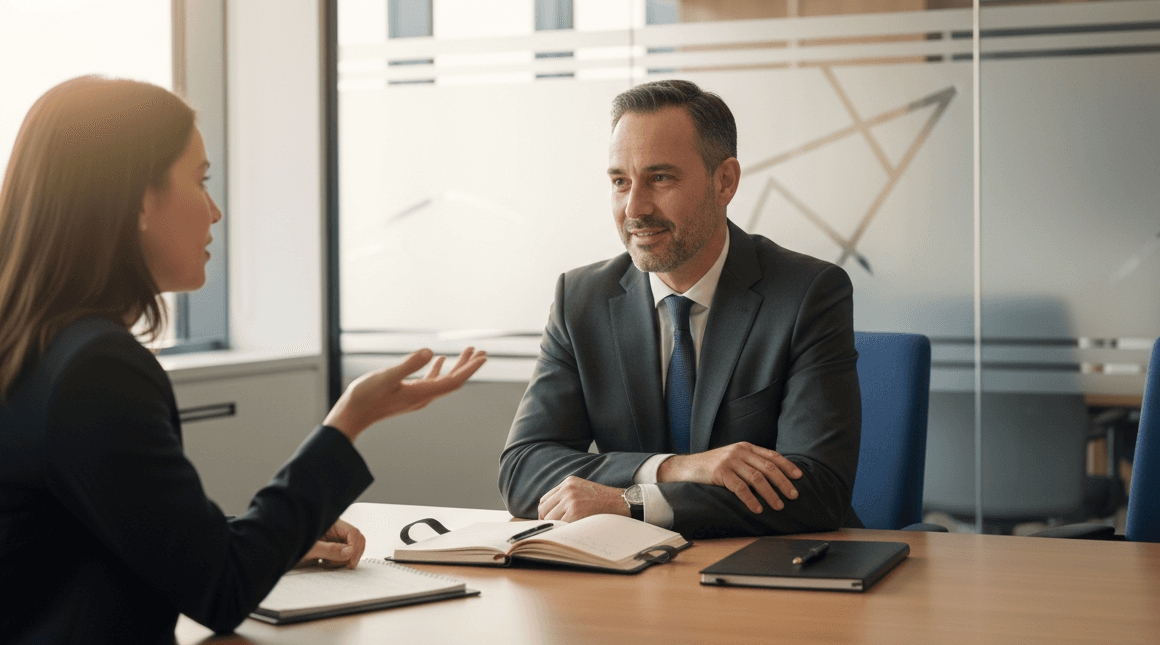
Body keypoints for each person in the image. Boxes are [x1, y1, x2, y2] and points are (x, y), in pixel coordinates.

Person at [0, 76, 487, 644]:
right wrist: (351, 418)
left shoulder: (32, 348)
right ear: (137, 200)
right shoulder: (96, 371)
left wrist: (271, 538)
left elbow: (84, 536)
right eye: (201, 181)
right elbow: (221, 587)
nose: (214, 211)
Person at [498, 79, 862, 539]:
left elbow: (816, 490)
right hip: (628, 580)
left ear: (724, 181)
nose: (635, 207)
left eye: (661, 178)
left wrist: (631, 503)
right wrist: (674, 470)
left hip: (772, 577)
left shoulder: (808, 293)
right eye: (620, 182)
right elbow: (524, 469)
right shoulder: (581, 298)